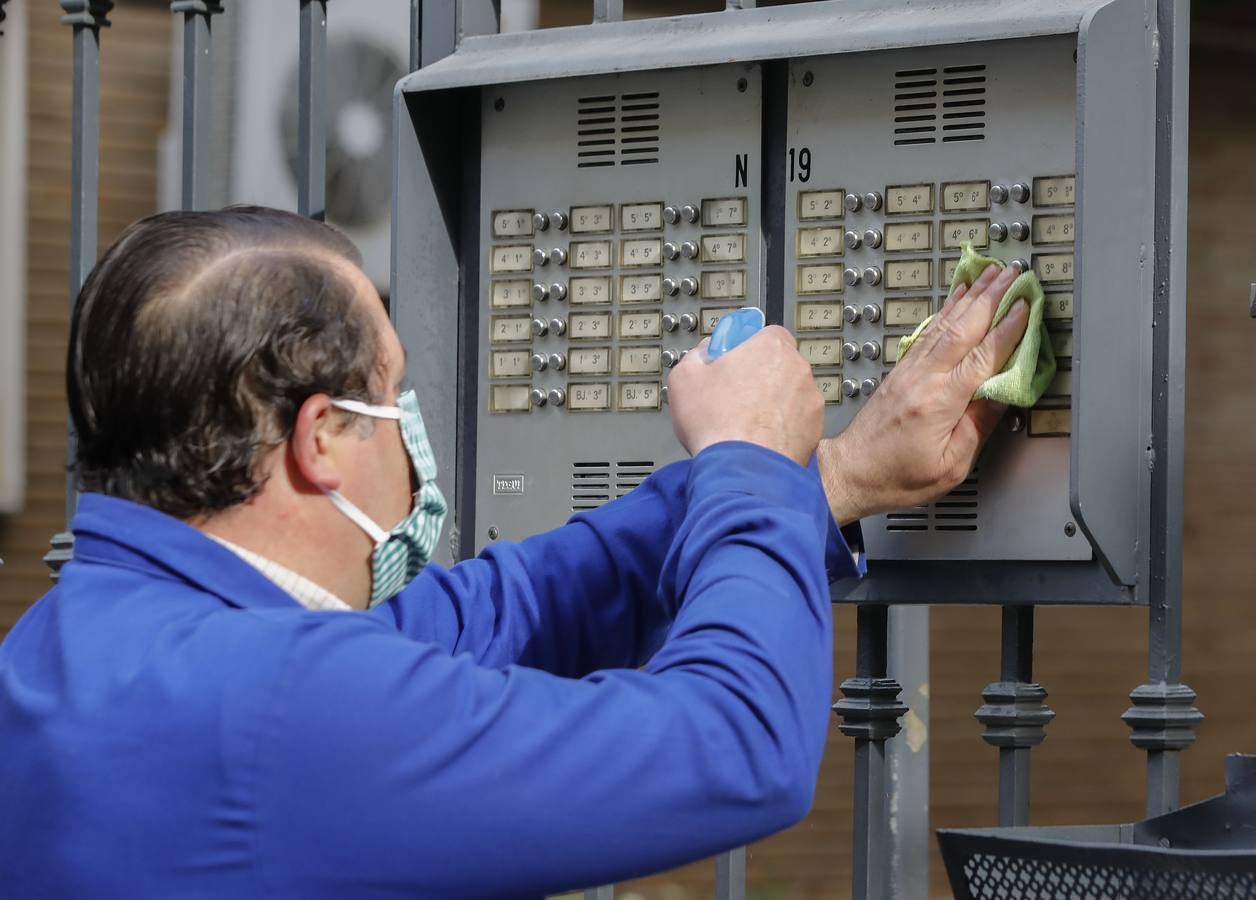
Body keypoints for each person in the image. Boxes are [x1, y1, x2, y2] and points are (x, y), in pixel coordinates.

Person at [0, 207, 1027, 898]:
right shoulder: (277, 703)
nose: (410, 437)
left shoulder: (80, 644)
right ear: (320, 440)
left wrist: (829, 477)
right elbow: (734, 745)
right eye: (393, 399)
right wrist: (748, 459)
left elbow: (504, 610)